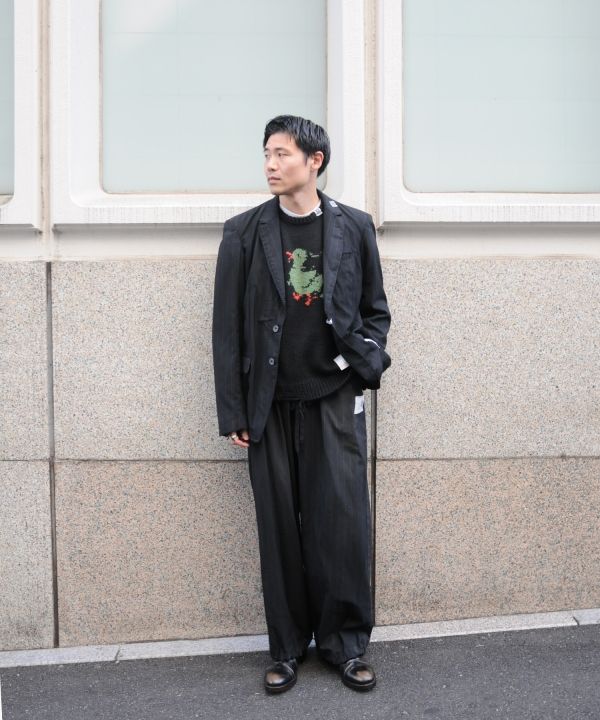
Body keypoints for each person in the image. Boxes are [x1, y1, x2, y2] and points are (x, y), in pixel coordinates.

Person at [212, 115, 391, 693]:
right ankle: (287, 647)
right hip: (268, 405)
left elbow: (375, 310)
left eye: (282, 153)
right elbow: (226, 329)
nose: (270, 164)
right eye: (266, 153)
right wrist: (235, 411)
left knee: (342, 524)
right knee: (279, 530)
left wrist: (364, 363)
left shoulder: (353, 226)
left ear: (315, 161)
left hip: (333, 397)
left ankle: (345, 645)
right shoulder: (243, 232)